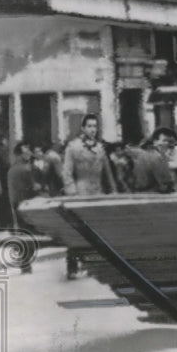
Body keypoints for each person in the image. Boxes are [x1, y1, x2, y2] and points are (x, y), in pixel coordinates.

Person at [62, 114, 115, 278]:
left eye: (95, 126)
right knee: (78, 230)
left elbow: (108, 173)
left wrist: (113, 191)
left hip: (97, 191)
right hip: (81, 191)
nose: (93, 129)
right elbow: (66, 173)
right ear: (83, 128)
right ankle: (72, 265)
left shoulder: (100, 148)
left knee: (96, 230)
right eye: (89, 126)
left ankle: (91, 263)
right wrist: (72, 193)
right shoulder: (73, 147)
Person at [6, 142, 40, 273]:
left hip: (15, 204)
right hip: (28, 204)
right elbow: (34, 187)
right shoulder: (28, 168)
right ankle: (26, 261)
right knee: (30, 233)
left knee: (22, 231)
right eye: (27, 151)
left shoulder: (11, 169)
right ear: (21, 154)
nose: (30, 153)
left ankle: (24, 261)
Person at [132, 128, 177, 194]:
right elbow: (165, 183)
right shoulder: (157, 157)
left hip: (140, 193)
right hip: (153, 194)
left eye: (171, 142)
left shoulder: (144, 154)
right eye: (164, 141)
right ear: (155, 141)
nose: (167, 144)